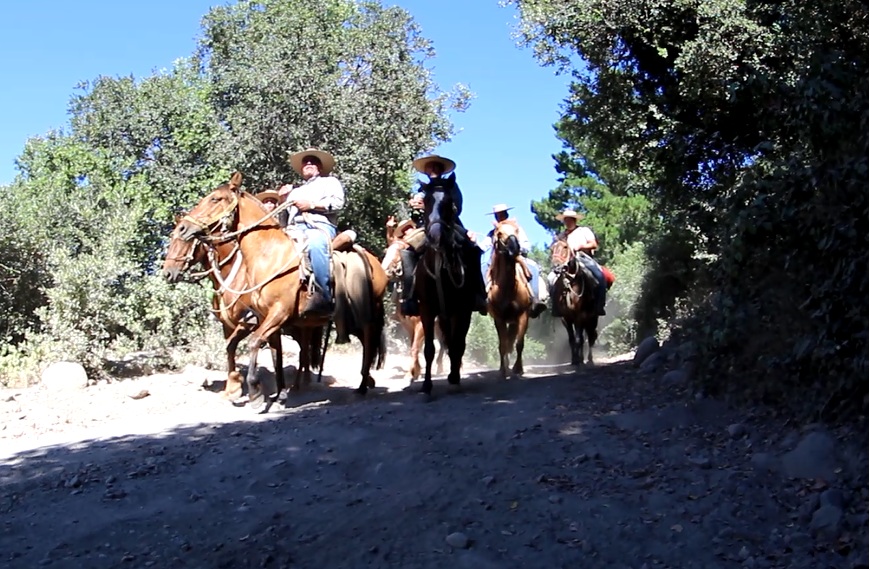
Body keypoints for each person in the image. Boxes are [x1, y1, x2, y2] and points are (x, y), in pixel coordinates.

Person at [399, 154, 487, 316]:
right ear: (425, 170)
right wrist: (417, 207)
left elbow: (458, 208)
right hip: (424, 228)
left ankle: (478, 294)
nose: (432, 169)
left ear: (440, 170)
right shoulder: (421, 188)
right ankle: (409, 297)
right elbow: (414, 214)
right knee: (407, 252)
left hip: (450, 225)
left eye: (435, 166)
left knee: (473, 249)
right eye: (429, 166)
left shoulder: (451, 185)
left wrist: (446, 206)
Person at [277, 148, 345, 316]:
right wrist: (282, 201)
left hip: (318, 227)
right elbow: (283, 221)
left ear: (320, 168)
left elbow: (338, 204)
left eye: (313, 162)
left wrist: (312, 205)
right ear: (301, 169)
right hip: (294, 229)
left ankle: (324, 296)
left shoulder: (330, 182)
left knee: (315, 243)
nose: (308, 164)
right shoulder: (294, 191)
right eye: (305, 162)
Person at [476, 204, 547, 318]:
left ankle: (535, 300)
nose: (500, 217)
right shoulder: (493, 232)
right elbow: (484, 246)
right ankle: (482, 301)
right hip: (496, 261)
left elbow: (526, 245)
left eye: (502, 214)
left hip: (516, 258)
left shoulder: (516, 229)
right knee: (482, 270)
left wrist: (517, 248)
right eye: (497, 215)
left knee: (533, 268)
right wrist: (474, 245)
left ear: (506, 214)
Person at [549, 209, 608, 316]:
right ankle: (556, 307)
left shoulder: (583, 231)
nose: (568, 222)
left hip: (584, 257)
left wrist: (580, 246)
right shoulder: (561, 235)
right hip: (565, 261)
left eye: (570, 219)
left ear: (574, 220)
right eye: (566, 220)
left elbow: (593, 244)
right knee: (550, 279)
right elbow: (554, 248)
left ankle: (599, 305)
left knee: (600, 276)